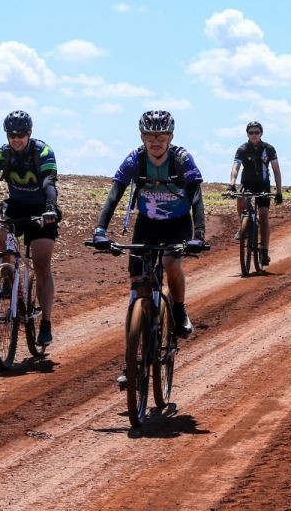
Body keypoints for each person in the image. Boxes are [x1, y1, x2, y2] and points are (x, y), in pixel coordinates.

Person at [91, 110, 206, 387]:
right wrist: (100, 230)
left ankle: (178, 310)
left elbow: (196, 196)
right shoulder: (135, 160)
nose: (156, 141)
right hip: (147, 223)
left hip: (178, 224)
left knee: (169, 263)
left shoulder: (181, 159)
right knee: (137, 283)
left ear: (170, 137)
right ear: (142, 137)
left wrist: (199, 234)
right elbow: (115, 193)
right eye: (150, 136)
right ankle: (132, 359)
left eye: (161, 136)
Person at [0, 110, 60, 347]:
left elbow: (49, 182)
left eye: (21, 134)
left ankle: (45, 322)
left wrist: (50, 208)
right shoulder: (1, 154)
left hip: (42, 209)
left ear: (29, 133)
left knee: (41, 262)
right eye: (12, 134)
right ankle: (7, 275)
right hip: (15, 206)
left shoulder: (43, 152)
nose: (16, 138)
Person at [228, 121, 283, 266]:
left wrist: (279, 192)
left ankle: (264, 251)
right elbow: (235, 168)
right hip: (247, 184)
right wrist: (232, 184)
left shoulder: (269, 149)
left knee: (264, 215)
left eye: (256, 132)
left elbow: (276, 171)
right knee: (240, 199)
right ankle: (243, 227)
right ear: (247, 134)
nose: (254, 135)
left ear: (261, 133)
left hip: (263, 185)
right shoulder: (242, 149)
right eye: (251, 132)